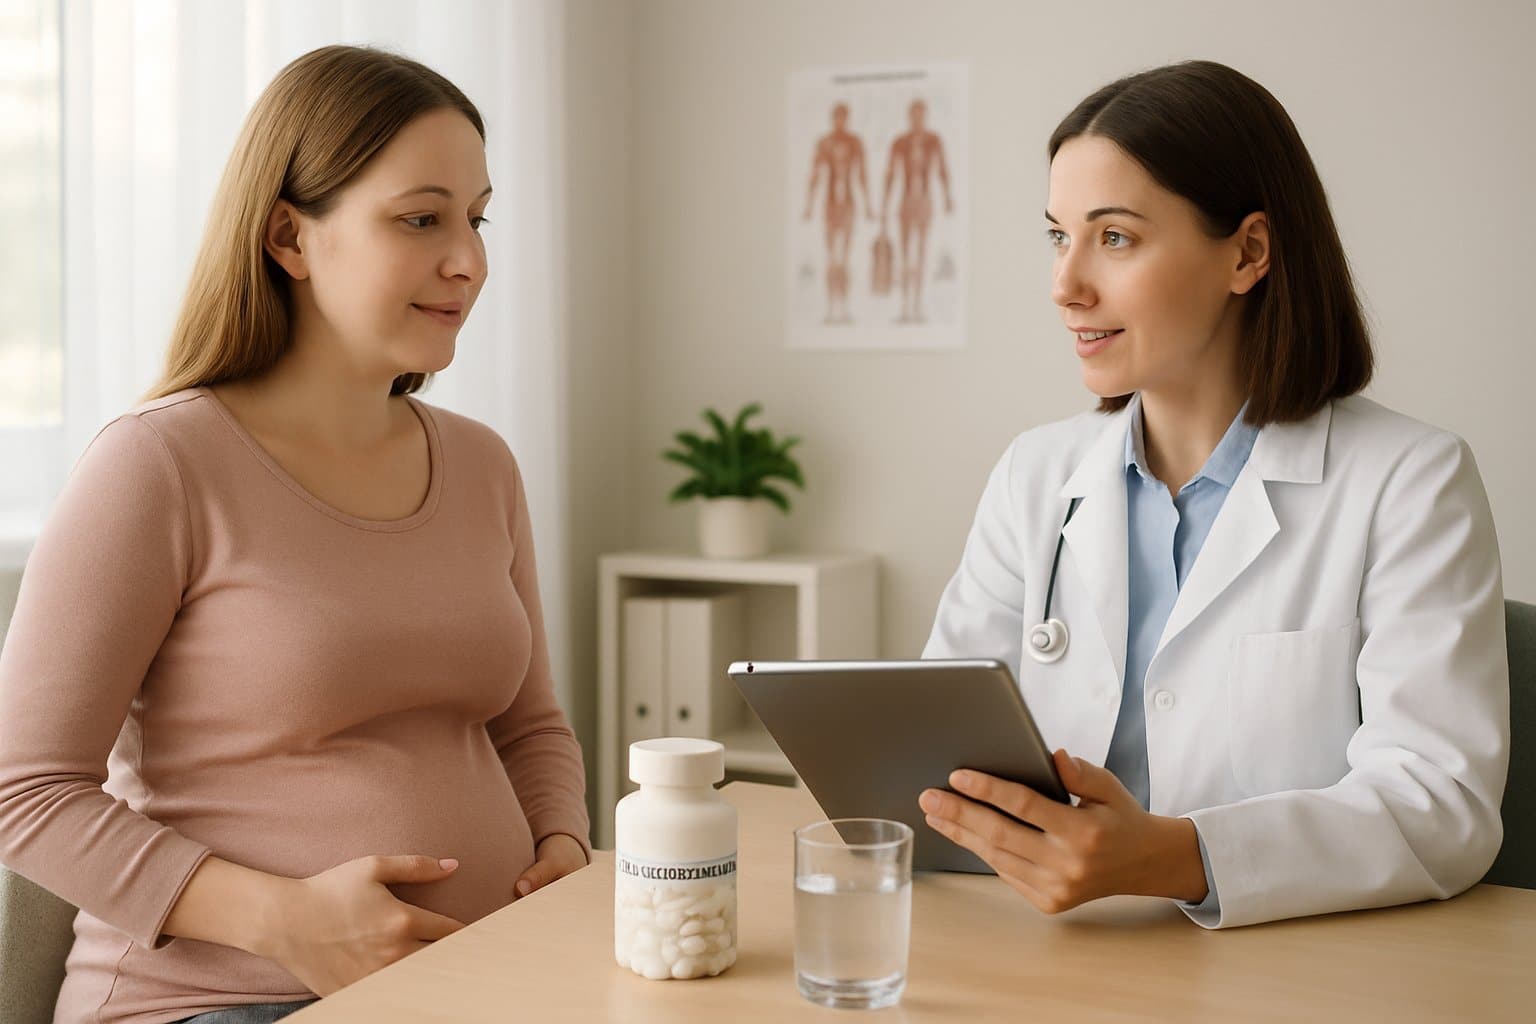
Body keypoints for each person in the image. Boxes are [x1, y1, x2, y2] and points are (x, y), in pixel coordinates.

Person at [0, 45, 590, 1023]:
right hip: (218, 1003)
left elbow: (529, 727)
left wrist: (561, 850)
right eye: (421, 218)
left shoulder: (485, 465)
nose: (470, 259)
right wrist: (287, 920)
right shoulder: (159, 465)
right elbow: (25, 790)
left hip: (481, 984)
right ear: (290, 237)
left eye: (477, 218)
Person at [919, 60, 1508, 929]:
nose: (1065, 284)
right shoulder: (1035, 476)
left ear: (1248, 252)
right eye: (1058, 235)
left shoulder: (1411, 483)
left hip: (1291, 974)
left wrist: (1176, 857)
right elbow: (937, 741)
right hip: (1053, 951)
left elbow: (1440, 804)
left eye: (1114, 237)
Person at [879, 98, 954, 323]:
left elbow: (942, 169)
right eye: (914, 114)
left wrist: (948, 198)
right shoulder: (900, 142)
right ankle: (904, 305)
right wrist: (884, 204)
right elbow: (890, 174)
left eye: (920, 114)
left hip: (924, 203)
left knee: (920, 254)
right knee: (904, 256)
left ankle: (917, 304)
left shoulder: (933, 141)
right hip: (905, 203)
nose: (917, 118)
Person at [802, 102, 872, 324]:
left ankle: (844, 307)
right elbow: (815, 175)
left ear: (847, 118)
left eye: (843, 117)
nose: (840, 121)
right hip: (831, 206)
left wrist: (869, 204)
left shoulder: (854, 142)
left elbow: (862, 175)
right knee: (832, 258)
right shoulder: (824, 143)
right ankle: (831, 307)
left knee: (845, 258)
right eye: (836, 117)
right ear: (833, 118)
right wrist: (809, 205)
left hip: (849, 206)